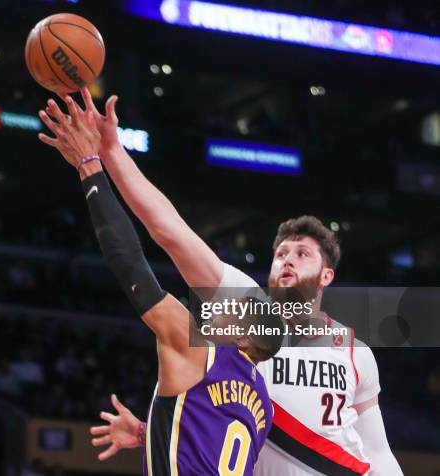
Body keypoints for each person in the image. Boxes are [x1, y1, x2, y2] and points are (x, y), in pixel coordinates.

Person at [40, 89, 403, 475]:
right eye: (281, 253)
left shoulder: (355, 353)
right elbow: (169, 230)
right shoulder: (247, 305)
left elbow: (378, 453)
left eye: (302, 254)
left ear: (326, 276)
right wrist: (112, 151)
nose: (287, 260)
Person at [38, 96, 283, 475]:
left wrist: (89, 165)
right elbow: (211, 443)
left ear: (245, 337)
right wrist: (144, 431)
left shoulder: (198, 352)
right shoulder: (262, 407)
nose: (221, 307)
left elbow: (129, 263)